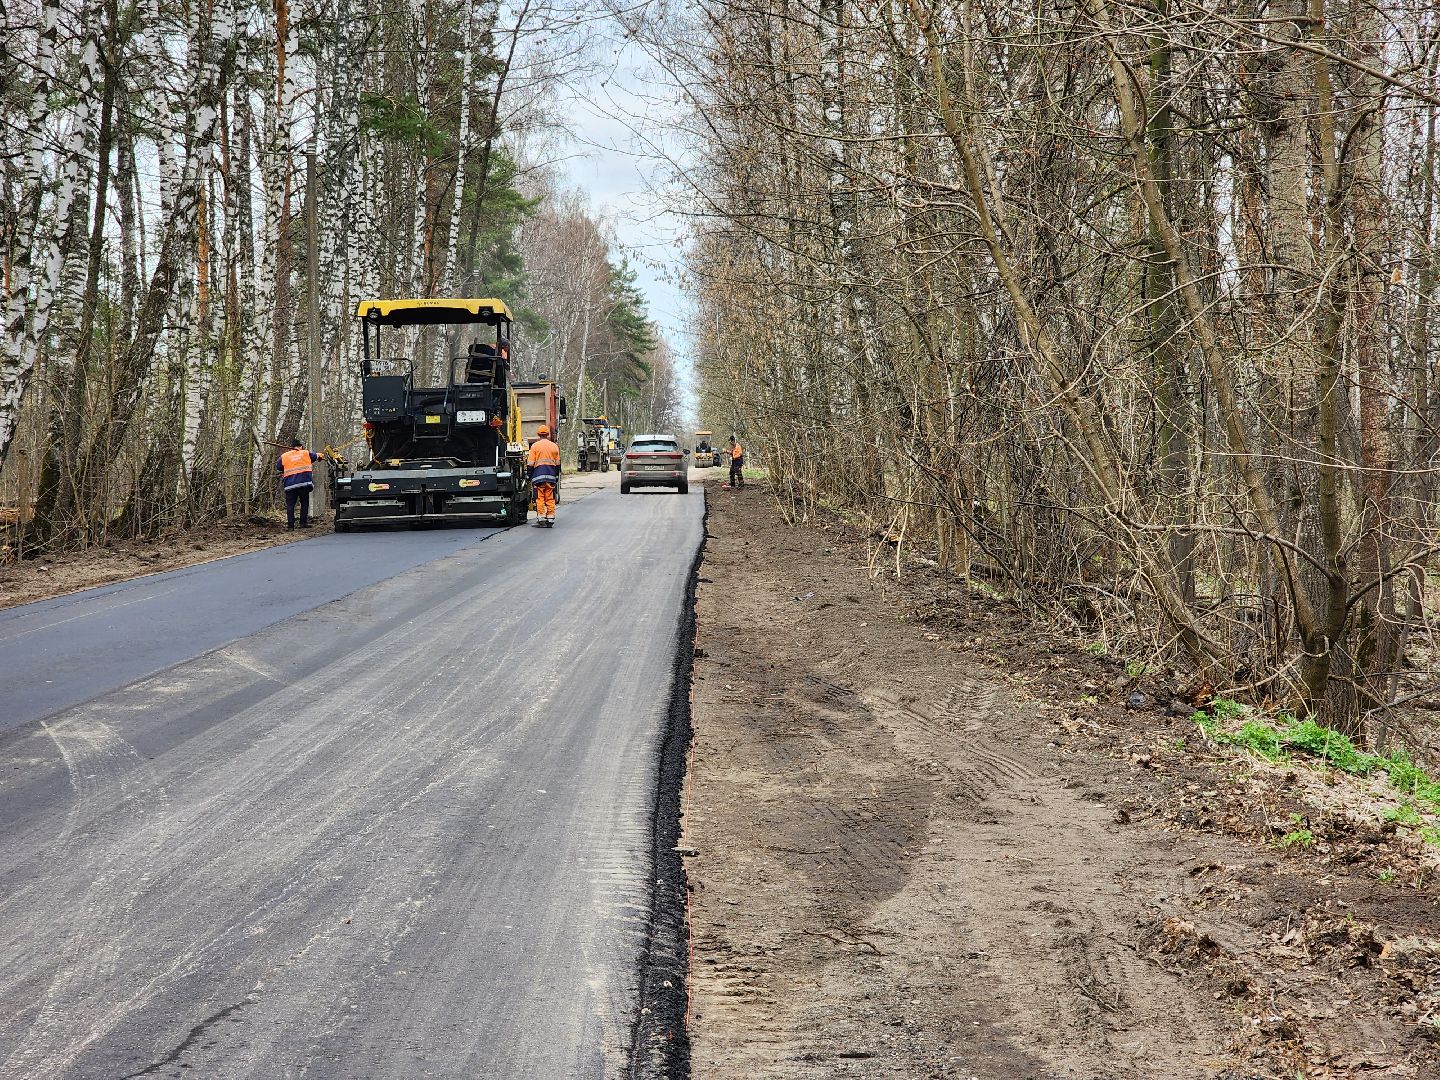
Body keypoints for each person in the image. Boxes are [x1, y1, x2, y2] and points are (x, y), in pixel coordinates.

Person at [277, 440, 324, 530]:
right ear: (301, 446)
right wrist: (320, 455)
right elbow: (316, 456)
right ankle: (303, 523)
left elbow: (279, 468)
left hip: (290, 485)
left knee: (290, 505)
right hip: (304, 484)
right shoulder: (305, 453)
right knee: (304, 503)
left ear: (292, 446)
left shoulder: (284, 456)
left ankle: (290, 526)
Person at [527, 424, 562, 527]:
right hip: (551, 476)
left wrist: (529, 476)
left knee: (540, 498)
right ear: (547, 434)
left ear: (538, 434)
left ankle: (541, 519)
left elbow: (530, 464)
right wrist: (556, 476)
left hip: (538, 477)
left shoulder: (535, 446)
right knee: (550, 498)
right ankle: (550, 519)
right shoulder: (554, 446)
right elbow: (558, 464)